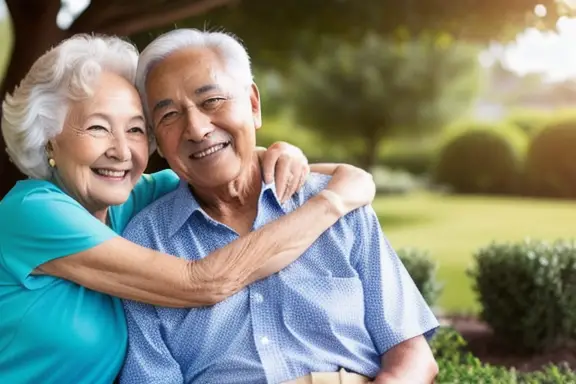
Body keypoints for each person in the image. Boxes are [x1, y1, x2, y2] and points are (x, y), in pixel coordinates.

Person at [0, 34, 376, 384]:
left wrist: (282, 154)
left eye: (134, 130)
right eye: (98, 128)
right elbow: (202, 282)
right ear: (49, 140)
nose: (120, 151)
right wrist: (332, 202)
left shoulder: (127, 201)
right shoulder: (32, 213)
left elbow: (220, 165)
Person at [119, 28, 439, 384]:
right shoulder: (146, 243)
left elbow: (411, 357)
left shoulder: (340, 205)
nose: (196, 128)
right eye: (169, 116)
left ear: (253, 105)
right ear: (156, 141)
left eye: (211, 101)